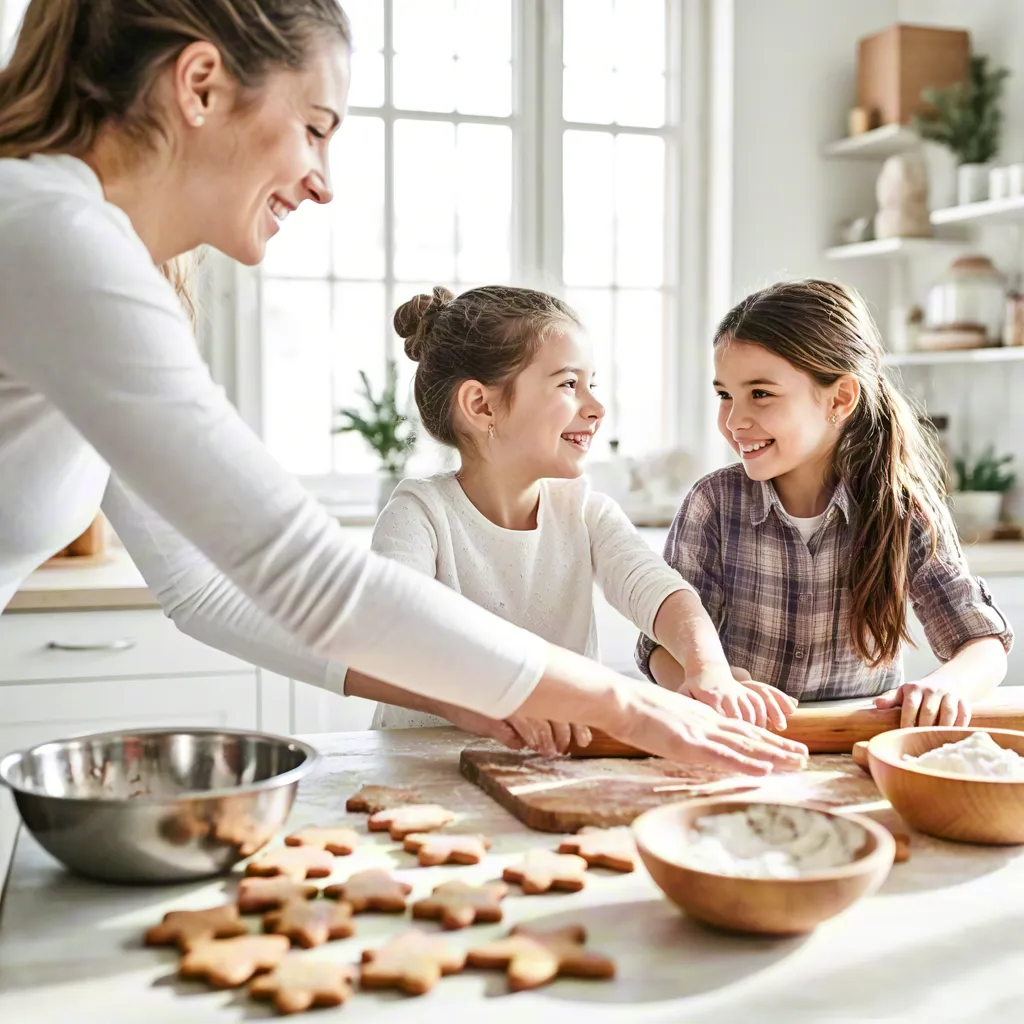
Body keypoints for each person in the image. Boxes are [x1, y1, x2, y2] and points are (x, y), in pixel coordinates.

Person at [0, 0, 806, 775]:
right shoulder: (57, 237)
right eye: (315, 128)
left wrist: (476, 700)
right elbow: (302, 572)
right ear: (200, 84)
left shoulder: (74, 243)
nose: (322, 183)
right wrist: (626, 707)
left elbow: (203, 588)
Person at [350, 285, 797, 757]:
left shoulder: (584, 511)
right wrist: (493, 691)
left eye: (592, 384)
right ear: (481, 405)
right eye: (568, 384)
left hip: (548, 766)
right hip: (422, 765)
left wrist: (708, 671)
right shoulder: (419, 514)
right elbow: (387, 635)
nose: (596, 407)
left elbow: (659, 591)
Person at [637, 279, 1013, 728]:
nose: (735, 421)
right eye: (724, 395)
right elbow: (661, 647)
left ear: (840, 398)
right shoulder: (713, 504)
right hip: (739, 738)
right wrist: (708, 682)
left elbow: (982, 643)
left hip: (853, 744)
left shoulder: (902, 507)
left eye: (760, 393)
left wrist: (949, 685)